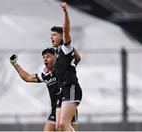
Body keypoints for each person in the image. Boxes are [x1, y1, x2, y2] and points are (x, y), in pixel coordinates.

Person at [10, 48, 78, 131]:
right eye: (43, 57)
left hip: (67, 107)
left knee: (62, 127)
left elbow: (75, 60)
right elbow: (27, 78)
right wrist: (15, 63)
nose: (45, 59)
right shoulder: (45, 75)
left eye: (48, 57)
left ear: (55, 57)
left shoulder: (62, 69)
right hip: (55, 109)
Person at [50, 2, 82, 131]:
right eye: (51, 35)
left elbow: (66, 28)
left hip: (71, 88)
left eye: (54, 35)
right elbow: (78, 58)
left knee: (64, 124)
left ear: (61, 37)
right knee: (60, 127)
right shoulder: (58, 54)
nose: (51, 37)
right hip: (65, 90)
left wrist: (65, 12)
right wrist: (73, 62)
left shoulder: (66, 48)